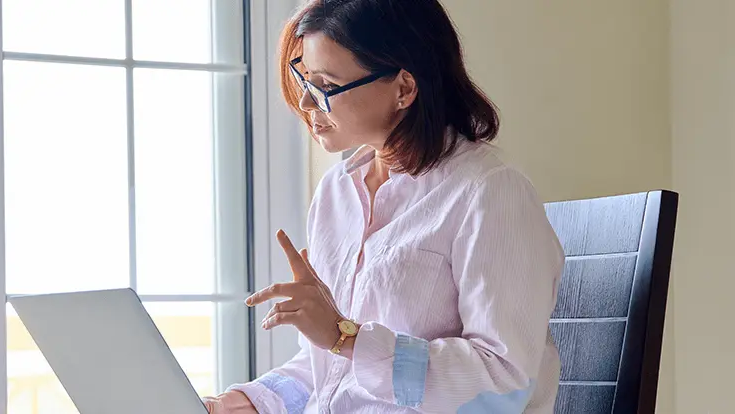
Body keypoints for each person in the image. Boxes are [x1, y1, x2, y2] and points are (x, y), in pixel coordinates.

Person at [203, 0, 565, 413]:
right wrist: (252, 402)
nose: (306, 104)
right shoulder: (336, 194)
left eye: (324, 86)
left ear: (404, 88)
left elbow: (503, 382)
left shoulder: (490, 193)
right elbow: (332, 370)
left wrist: (349, 338)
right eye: (303, 80)